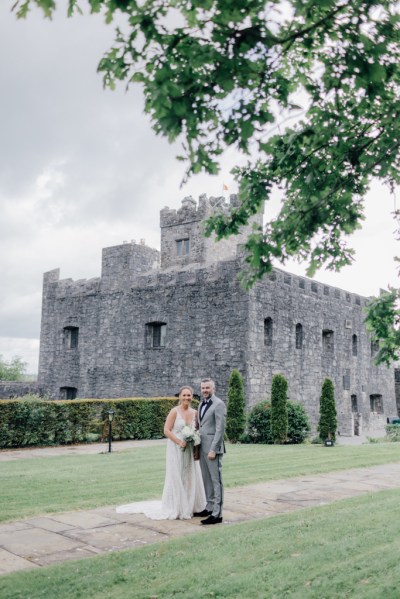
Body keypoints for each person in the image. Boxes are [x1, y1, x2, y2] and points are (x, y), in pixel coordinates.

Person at [116, 386, 206, 520]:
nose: (186, 398)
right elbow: (166, 430)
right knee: (177, 475)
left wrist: (194, 438)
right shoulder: (174, 412)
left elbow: (197, 430)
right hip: (176, 449)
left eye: (189, 395)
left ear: (192, 397)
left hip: (189, 450)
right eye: (184, 395)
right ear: (180, 397)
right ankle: (176, 506)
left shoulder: (195, 412)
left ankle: (190, 505)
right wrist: (179, 441)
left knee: (190, 476)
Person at [193, 378, 226, 525]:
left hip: (213, 449)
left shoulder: (218, 404)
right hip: (202, 448)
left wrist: (213, 449)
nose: (205, 390)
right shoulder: (200, 404)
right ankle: (209, 506)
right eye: (203, 388)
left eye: (207, 388)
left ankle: (217, 514)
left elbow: (220, 429)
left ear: (213, 388)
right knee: (206, 480)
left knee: (215, 480)